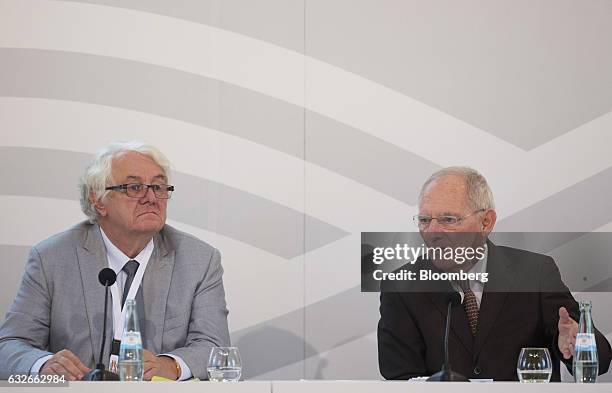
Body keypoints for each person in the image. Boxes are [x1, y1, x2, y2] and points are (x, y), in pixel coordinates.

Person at [0, 141, 230, 380]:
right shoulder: (52, 258)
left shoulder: (199, 260)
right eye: (134, 187)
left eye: (159, 187)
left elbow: (215, 345)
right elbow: (10, 345)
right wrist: (44, 364)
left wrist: (172, 365)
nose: (151, 198)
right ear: (98, 200)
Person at [377, 167, 612, 381]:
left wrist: (579, 345)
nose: (433, 232)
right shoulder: (401, 287)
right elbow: (399, 379)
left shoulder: (535, 273)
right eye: (425, 220)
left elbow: (600, 360)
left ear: (486, 222)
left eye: (449, 219)